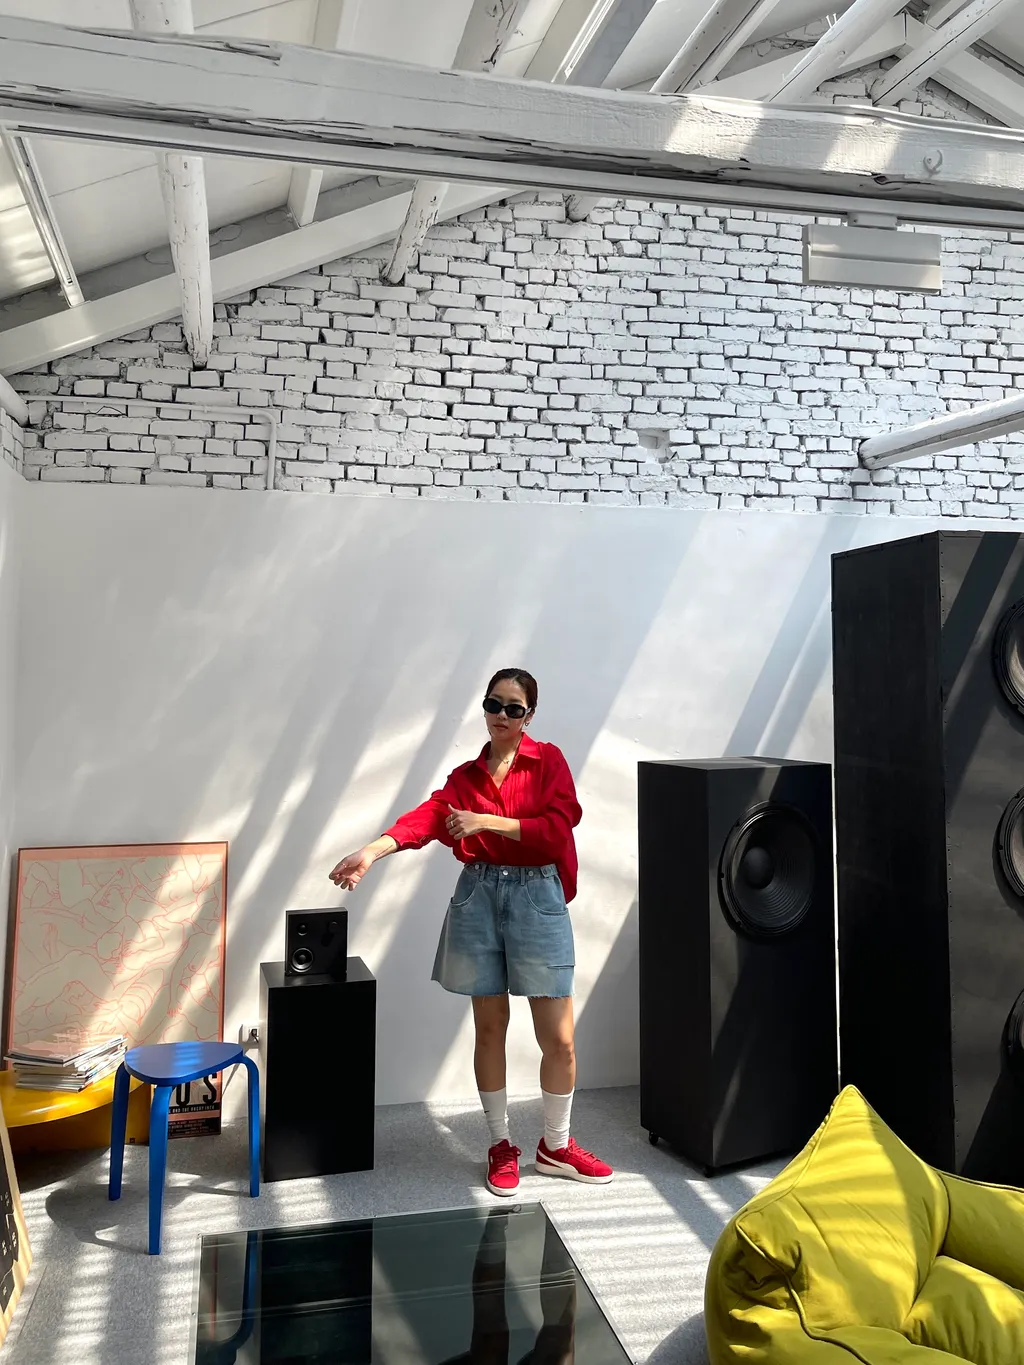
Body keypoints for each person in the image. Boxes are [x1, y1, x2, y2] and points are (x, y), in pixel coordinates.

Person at [329, 667, 613, 1198]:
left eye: (513, 708)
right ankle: (500, 1144)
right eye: (493, 704)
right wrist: (372, 850)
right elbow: (427, 818)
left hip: (537, 897)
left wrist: (486, 821)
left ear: (529, 715)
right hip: (479, 896)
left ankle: (556, 1146)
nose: (501, 715)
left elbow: (557, 829)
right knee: (489, 1028)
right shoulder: (465, 777)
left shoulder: (547, 762)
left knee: (560, 1039)